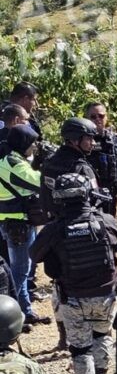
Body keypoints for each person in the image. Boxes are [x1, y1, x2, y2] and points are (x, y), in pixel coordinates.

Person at [31, 173, 117, 374]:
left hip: (73, 299)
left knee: (80, 349)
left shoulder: (55, 228)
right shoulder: (103, 221)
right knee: (102, 337)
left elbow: (35, 255)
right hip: (105, 296)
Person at [0, 126, 48, 324]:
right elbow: (38, 182)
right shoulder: (12, 163)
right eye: (32, 143)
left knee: (24, 269)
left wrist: (38, 161)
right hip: (16, 224)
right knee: (19, 272)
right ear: (23, 144)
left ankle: (25, 311)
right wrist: (48, 163)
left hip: (21, 221)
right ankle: (9, 317)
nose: (34, 146)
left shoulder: (14, 159)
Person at [39, 117, 99, 215]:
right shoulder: (81, 168)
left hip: (52, 224)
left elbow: (44, 198)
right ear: (75, 140)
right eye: (89, 138)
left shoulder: (49, 162)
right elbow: (96, 200)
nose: (93, 143)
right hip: (75, 224)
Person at [84, 102, 117, 218]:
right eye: (93, 116)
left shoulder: (114, 140)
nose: (97, 119)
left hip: (109, 194)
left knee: (109, 228)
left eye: (101, 116)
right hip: (87, 194)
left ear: (106, 117)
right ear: (87, 118)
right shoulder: (81, 139)